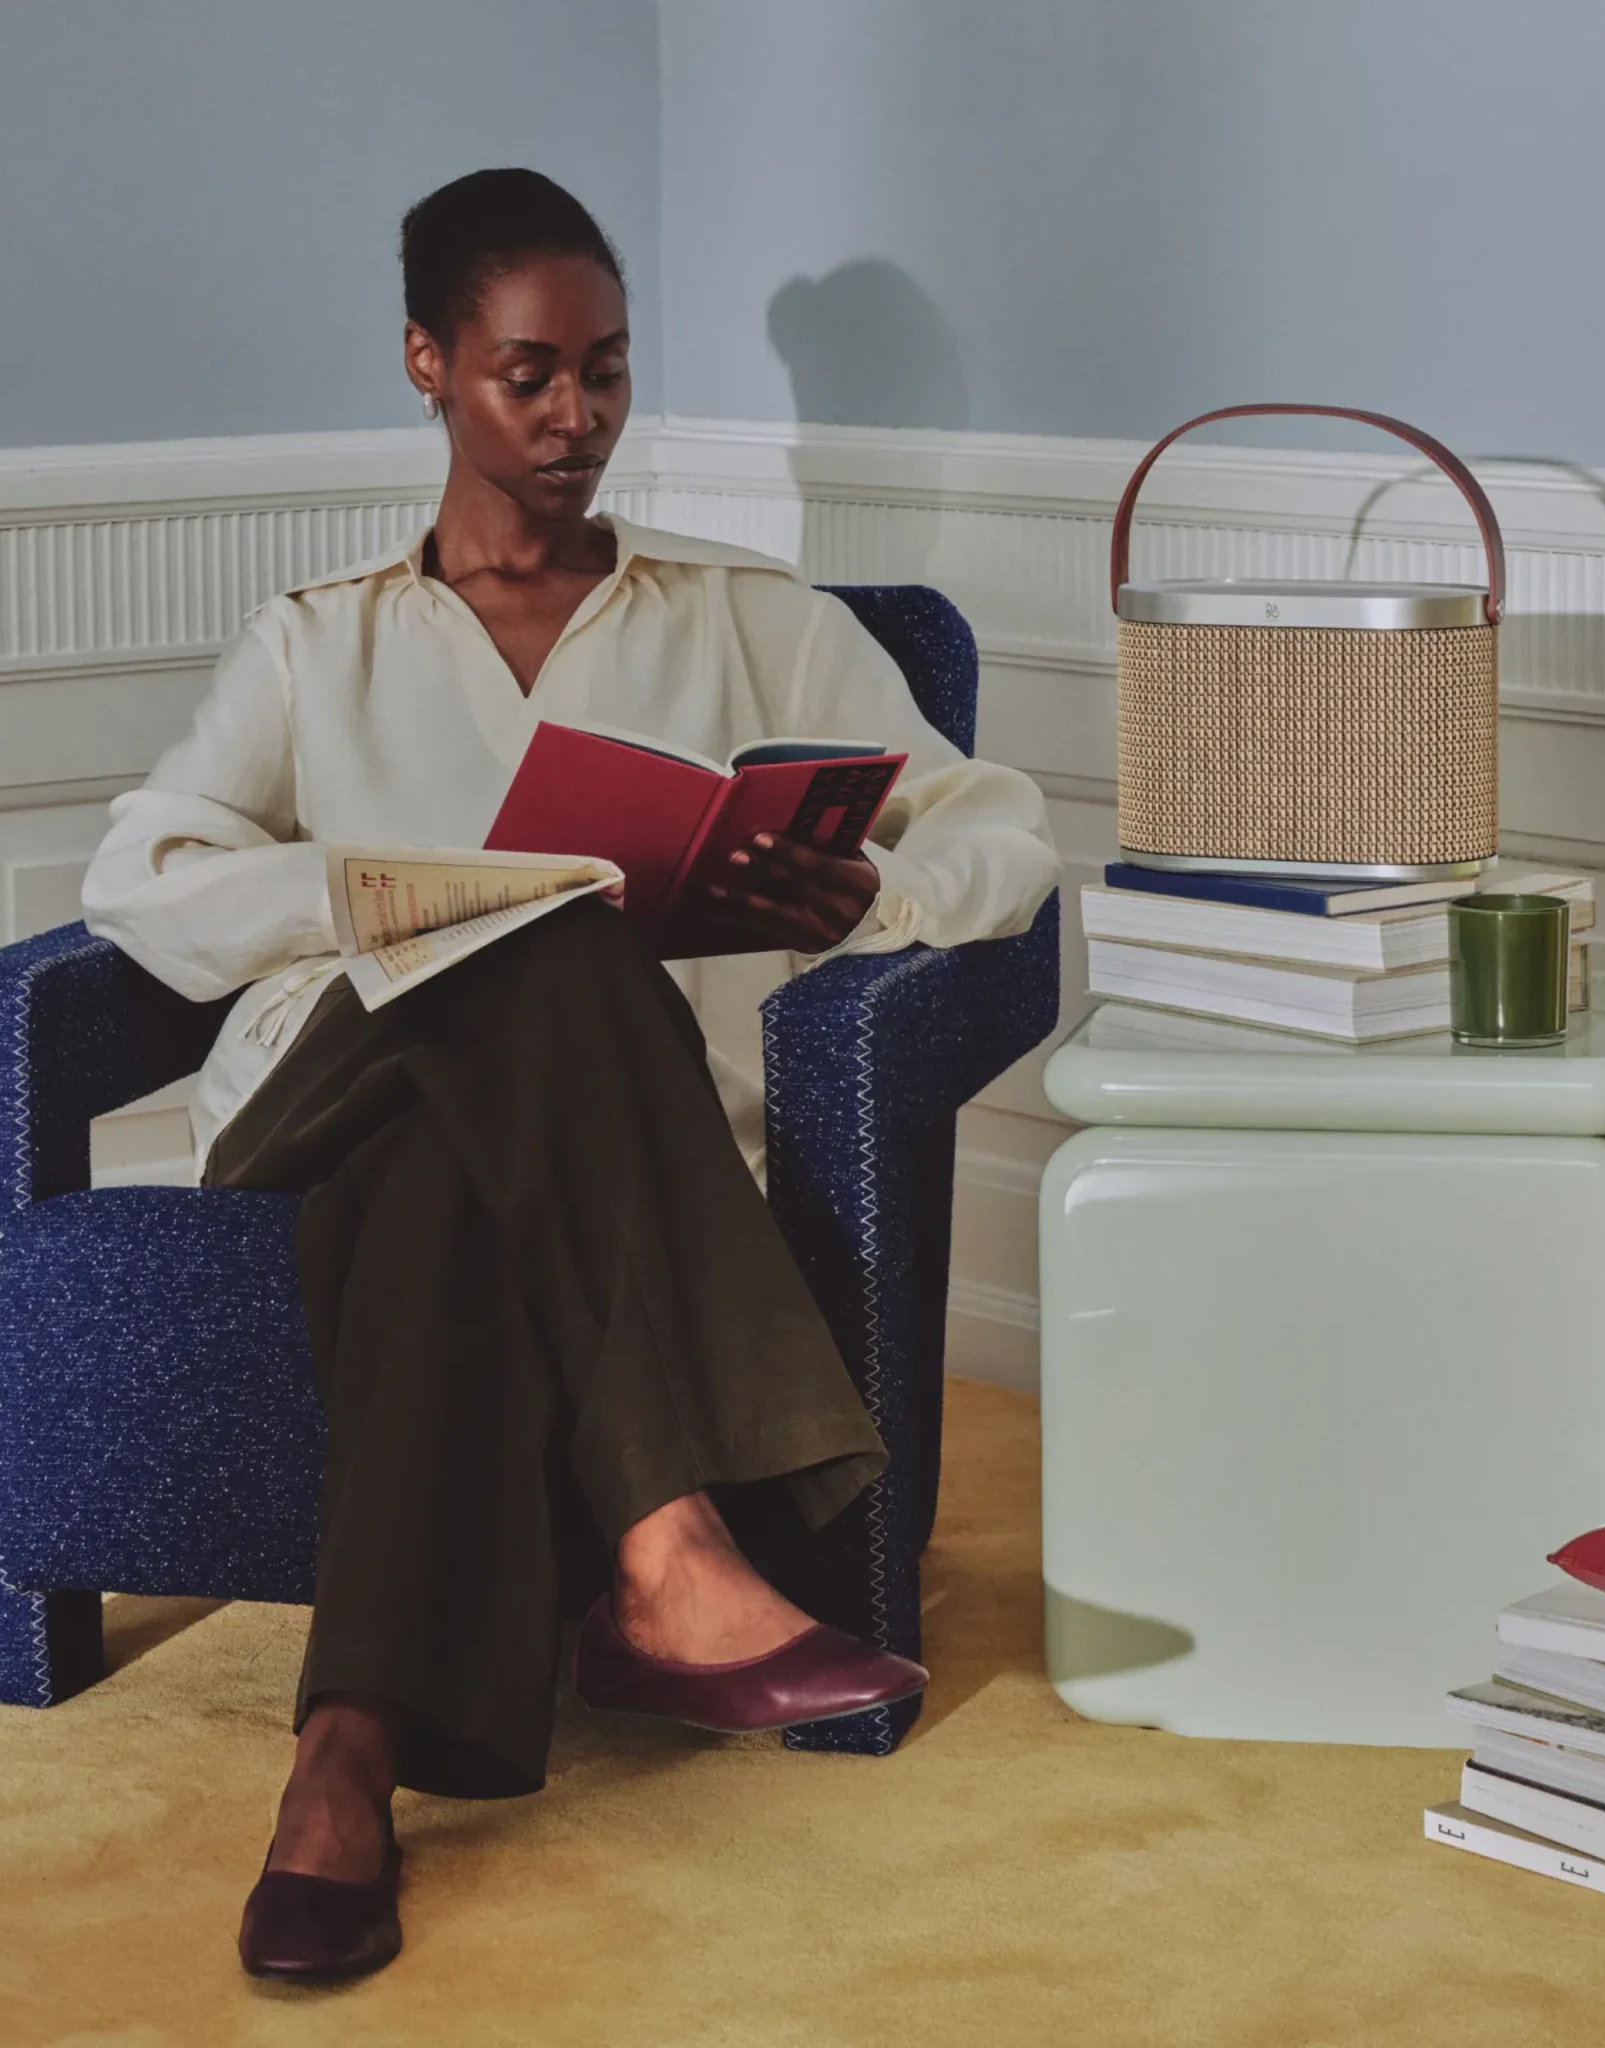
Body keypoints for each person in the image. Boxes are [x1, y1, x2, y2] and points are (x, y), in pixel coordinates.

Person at [78, 167, 1059, 1984]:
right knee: (547, 934)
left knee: (462, 1165)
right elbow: (133, 877)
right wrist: (362, 893)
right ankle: (670, 1538)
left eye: (606, 371)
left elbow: (1003, 830)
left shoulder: (747, 619)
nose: (575, 416)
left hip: (496, 1166)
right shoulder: (320, 638)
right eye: (529, 373)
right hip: (319, 1101)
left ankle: (342, 1763)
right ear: (430, 365)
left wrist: (876, 893)